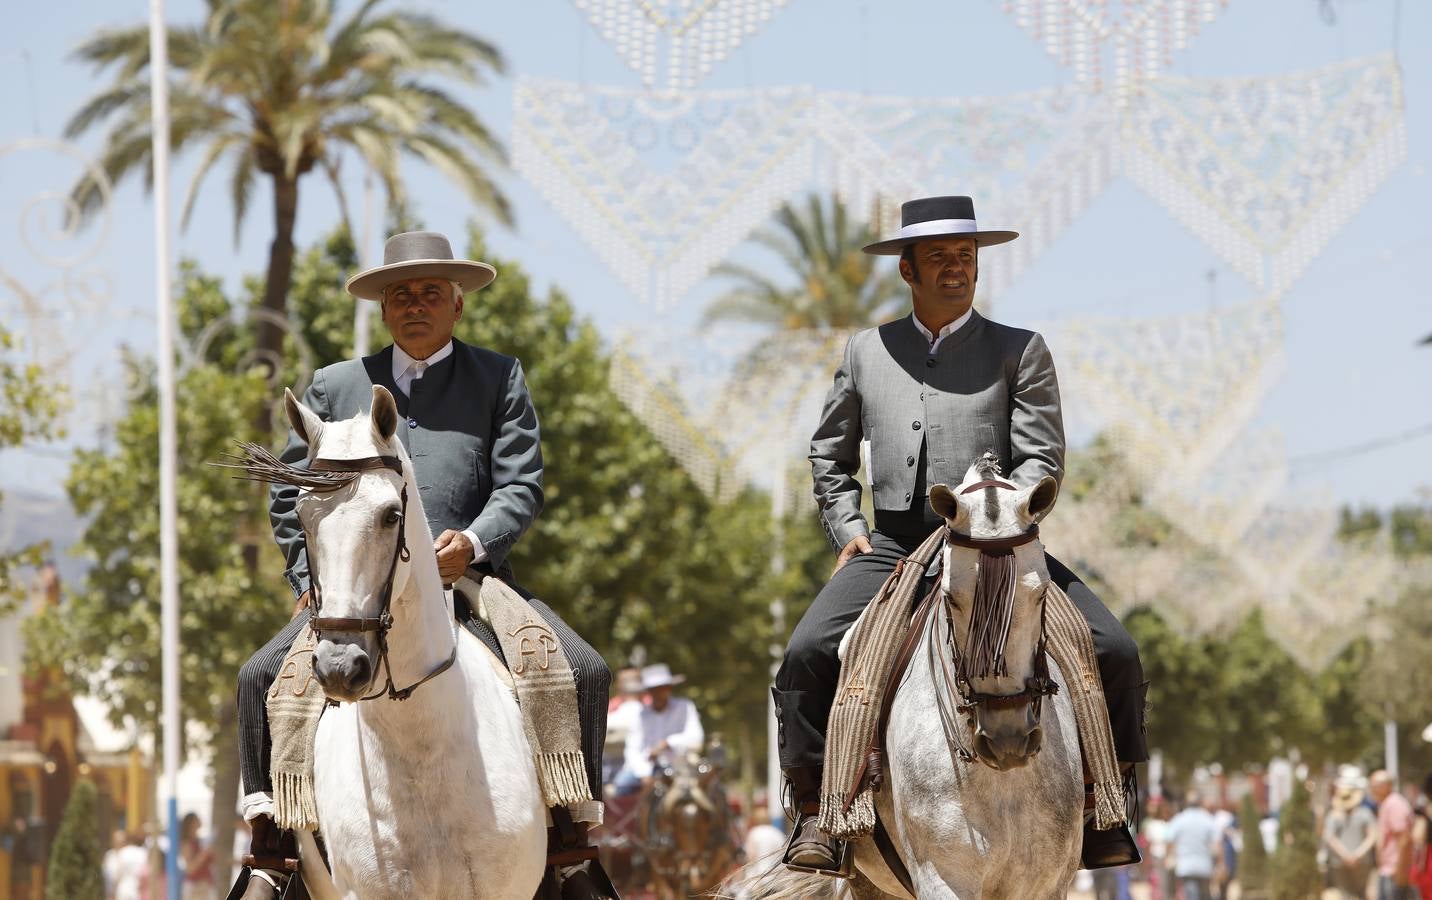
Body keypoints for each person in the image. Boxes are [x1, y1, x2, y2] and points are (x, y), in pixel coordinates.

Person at [232, 231, 615, 900]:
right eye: (401, 294)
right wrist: (308, 583)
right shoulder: (334, 385)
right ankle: (272, 849)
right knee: (258, 675)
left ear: (456, 306)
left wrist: (472, 542)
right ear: (383, 309)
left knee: (583, 667)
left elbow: (521, 483)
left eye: (431, 293)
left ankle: (571, 845)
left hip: (469, 580)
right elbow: (293, 493)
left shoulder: (499, 376)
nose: (416, 305)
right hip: (354, 589)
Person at [773, 195, 1147, 874]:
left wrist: (1002, 507)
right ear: (907, 271)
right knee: (804, 653)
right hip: (889, 545)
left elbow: (1042, 458)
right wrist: (847, 528)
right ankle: (814, 815)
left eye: (967, 258)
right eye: (941, 258)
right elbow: (828, 455)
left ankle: (1105, 804)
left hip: (994, 541)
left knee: (1116, 649)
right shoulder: (865, 352)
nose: (957, 269)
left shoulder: (1020, 350)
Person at [614, 664, 703, 794]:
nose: (658, 693)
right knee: (620, 787)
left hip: (679, 766)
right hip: (646, 769)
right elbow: (633, 750)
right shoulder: (641, 715)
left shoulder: (685, 707)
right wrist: (644, 774)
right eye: (653, 690)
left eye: (662, 688)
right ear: (648, 692)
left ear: (669, 688)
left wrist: (668, 743)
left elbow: (696, 736)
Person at [1323, 772, 1377, 900]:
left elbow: (1330, 838)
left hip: (1344, 861)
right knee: (1357, 893)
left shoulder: (1335, 815)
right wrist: (1356, 855)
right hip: (1357, 861)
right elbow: (1372, 836)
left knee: (1347, 894)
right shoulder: (1364, 814)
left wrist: (1349, 855)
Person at [1165, 791, 1221, 900]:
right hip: (1205, 865)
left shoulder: (1180, 819)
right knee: (1205, 895)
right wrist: (1220, 863)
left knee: (1191, 895)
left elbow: (1169, 840)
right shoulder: (1208, 819)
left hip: (1186, 866)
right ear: (1200, 802)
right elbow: (1217, 842)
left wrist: (1168, 856)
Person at [1373, 770, 1416, 900]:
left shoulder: (1394, 804)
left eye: (1374, 785)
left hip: (1394, 871)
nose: (1372, 789)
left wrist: (1400, 871)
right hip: (1390, 870)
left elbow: (1404, 838)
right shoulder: (1388, 804)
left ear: (1386, 786)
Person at [179, 812, 215, 900]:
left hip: (205, 884)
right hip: (194, 886)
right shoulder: (186, 843)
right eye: (197, 819)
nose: (200, 821)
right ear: (191, 824)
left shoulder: (200, 841)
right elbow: (190, 868)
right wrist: (203, 855)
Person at [110, 830, 150, 900]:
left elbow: (118, 873)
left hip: (123, 889)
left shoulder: (124, 852)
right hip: (137, 889)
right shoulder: (144, 853)